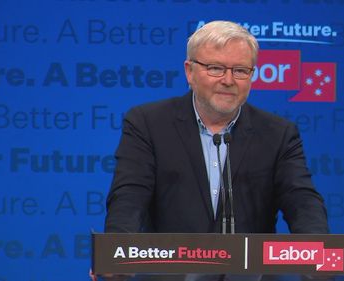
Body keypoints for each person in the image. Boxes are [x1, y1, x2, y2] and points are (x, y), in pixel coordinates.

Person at [101, 20, 329, 281]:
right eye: (216, 68)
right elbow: (129, 196)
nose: (228, 80)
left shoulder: (278, 133)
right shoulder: (148, 123)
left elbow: (301, 199)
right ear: (189, 71)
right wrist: (114, 253)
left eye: (241, 71)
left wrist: (317, 254)